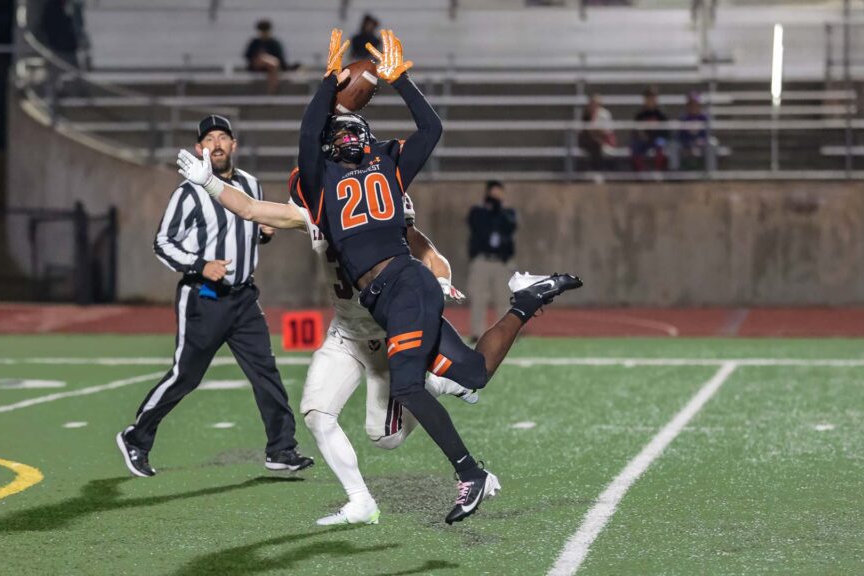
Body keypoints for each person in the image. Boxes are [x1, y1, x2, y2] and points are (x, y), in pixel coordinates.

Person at [177, 28, 582, 525]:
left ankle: (469, 471)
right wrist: (213, 183)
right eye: (341, 132)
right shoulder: (342, 180)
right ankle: (525, 301)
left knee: (404, 399)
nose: (347, 135)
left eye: (351, 131)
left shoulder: (364, 171)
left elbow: (359, 156)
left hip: (399, 292)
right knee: (471, 375)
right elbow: (263, 193)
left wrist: (366, 82)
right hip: (373, 307)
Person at [116, 115, 313, 478]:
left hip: (244, 296)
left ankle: (281, 449)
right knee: (185, 376)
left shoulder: (251, 184)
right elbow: (162, 242)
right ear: (198, 149)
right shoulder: (188, 191)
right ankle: (136, 437)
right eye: (210, 139)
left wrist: (265, 233)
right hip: (204, 296)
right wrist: (199, 265)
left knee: (265, 373)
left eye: (224, 137)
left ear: (234, 145)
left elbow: (251, 227)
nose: (217, 144)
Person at [466, 181, 518, 341]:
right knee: (479, 298)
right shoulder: (478, 211)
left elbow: (510, 226)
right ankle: (477, 333)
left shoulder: (508, 212)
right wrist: (488, 209)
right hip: (482, 260)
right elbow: (476, 225)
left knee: (504, 299)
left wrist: (499, 209)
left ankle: (505, 334)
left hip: (502, 261)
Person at [244, 20, 297, 95]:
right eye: (262, 31)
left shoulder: (274, 43)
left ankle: (272, 92)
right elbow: (248, 56)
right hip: (257, 66)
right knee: (266, 59)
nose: (263, 33)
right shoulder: (255, 42)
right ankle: (272, 92)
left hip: (272, 68)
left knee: (272, 63)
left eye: (265, 31)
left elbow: (279, 59)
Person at [630, 86, 669, 172]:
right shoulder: (641, 114)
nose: (651, 100)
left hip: (657, 139)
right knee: (634, 146)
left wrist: (656, 133)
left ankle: (658, 171)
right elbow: (635, 130)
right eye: (648, 97)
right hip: (644, 140)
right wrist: (641, 134)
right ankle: (641, 172)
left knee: (660, 145)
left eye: (653, 97)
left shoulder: (660, 113)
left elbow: (666, 130)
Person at [578, 94, 617, 172]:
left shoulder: (604, 114)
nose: (593, 106)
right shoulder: (586, 115)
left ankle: (598, 171)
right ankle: (595, 171)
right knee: (592, 144)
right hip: (590, 141)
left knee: (596, 146)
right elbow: (582, 130)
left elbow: (606, 131)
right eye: (591, 103)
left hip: (604, 141)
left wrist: (595, 130)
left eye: (596, 104)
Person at [678, 91, 711, 170]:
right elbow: (681, 136)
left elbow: (707, 134)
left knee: (711, 145)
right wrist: (689, 144)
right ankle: (677, 174)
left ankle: (710, 173)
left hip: (701, 145)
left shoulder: (704, 118)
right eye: (691, 104)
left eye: (696, 104)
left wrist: (701, 141)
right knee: (675, 146)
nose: (693, 106)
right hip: (686, 146)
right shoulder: (684, 118)